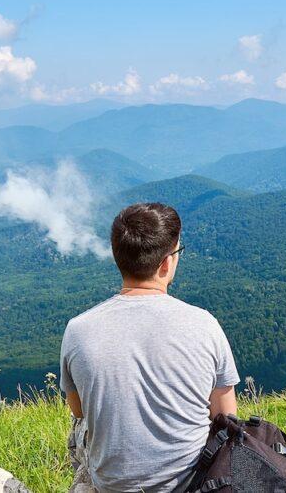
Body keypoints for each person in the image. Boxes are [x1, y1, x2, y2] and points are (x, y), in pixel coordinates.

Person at [61, 202, 240, 493]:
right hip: (192, 481)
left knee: (78, 428)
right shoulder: (204, 324)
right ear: (167, 263)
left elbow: (79, 409)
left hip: (112, 486)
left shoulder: (78, 329)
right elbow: (226, 417)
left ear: (118, 257)